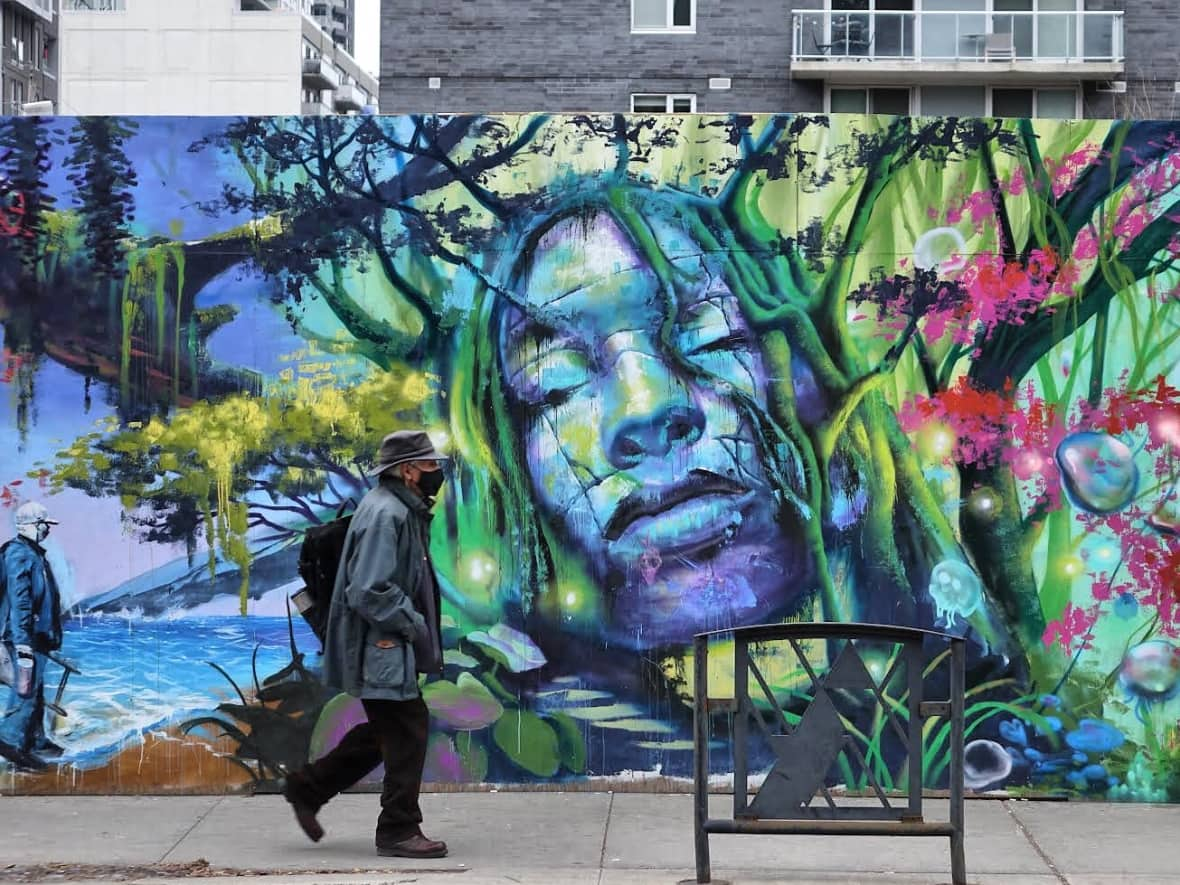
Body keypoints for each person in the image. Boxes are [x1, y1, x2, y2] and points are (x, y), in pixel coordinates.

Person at [281, 429, 448, 859]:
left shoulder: (399, 508)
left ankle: (309, 787)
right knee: (407, 729)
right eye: (430, 465)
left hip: (387, 642)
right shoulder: (386, 515)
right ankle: (398, 829)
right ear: (408, 470)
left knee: (387, 730)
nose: (437, 472)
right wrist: (413, 624)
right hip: (383, 645)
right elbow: (369, 590)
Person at [0, 501, 65, 769]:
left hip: (35, 636)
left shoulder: (31, 552)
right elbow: (20, 602)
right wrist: (23, 644)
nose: (47, 530)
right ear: (31, 526)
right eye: (44, 525)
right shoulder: (19, 554)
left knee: (35, 690)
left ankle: (35, 739)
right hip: (22, 637)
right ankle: (12, 743)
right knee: (25, 691)